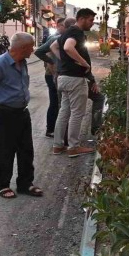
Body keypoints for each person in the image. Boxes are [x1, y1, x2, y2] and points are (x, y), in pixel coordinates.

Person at [0, 32, 43, 199]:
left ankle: (25, 184)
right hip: (2, 114)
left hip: (21, 112)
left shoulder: (23, 63)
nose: (33, 49)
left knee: (26, 149)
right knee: (5, 150)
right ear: (22, 48)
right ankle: (2, 185)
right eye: (31, 46)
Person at [52, 8, 98, 158]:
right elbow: (67, 47)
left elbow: (54, 47)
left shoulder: (65, 32)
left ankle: (58, 146)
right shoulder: (76, 32)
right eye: (90, 20)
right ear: (82, 19)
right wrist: (84, 63)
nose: (92, 23)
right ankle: (73, 147)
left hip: (64, 78)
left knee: (64, 112)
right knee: (77, 113)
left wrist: (65, 61)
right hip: (75, 79)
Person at [34, 18, 67, 138]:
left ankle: (54, 129)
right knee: (55, 103)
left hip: (54, 74)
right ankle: (52, 130)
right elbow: (39, 52)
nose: (67, 28)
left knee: (58, 103)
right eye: (64, 25)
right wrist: (52, 62)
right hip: (52, 74)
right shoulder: (55, 38)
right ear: (58, 26)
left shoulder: (64, 38)